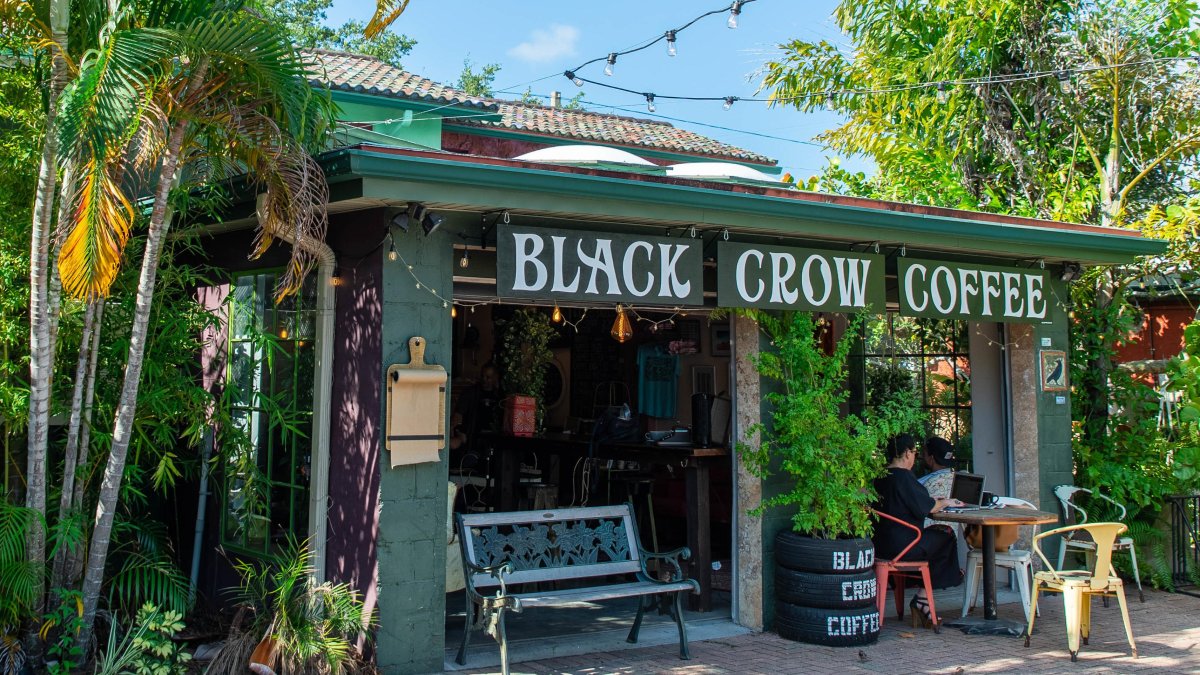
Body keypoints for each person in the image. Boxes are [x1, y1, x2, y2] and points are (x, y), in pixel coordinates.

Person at [873, 434, 964, 628]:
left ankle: (924, 598)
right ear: (907, 453)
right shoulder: (904, 477)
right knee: (946, 535)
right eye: (914, 453)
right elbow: (927, 507)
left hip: (879, 546)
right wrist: (946, 502)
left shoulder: (880, 477)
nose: (915, 457)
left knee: (936, 539)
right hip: (904, 547)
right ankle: (924, 597)